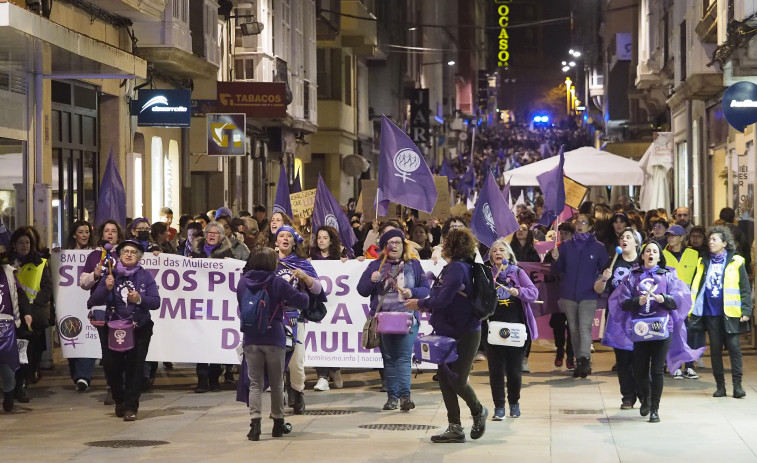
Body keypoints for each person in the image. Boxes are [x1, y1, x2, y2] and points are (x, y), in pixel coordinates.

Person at [405, 228, 488, 444]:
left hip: (465, 333)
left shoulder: (457, 269)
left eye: (444, 243)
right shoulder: (453, 268)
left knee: (457, 380)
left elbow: (442, 300)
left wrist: (419, 304)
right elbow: (439, 295)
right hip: (449, 331)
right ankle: (455, 427)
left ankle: (478, 411)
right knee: (444, 380)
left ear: (451, 246)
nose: (440, 247)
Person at [605, 241, 699, 423]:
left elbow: (679, 300)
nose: (651, 254)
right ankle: (645, 399)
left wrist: (664, 299)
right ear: (643, 255)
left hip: (663, 328)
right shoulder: (633, 276)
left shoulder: (668, 275)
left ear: (659, 256)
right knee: (639, 370)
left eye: (655, 251)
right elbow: (622, 302)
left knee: (656, 370)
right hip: (640, 328)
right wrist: (636, 302)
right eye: (648, 251)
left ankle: (654, 408)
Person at [239, 247, 310, 441]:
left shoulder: (243, 282)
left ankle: (255, 425)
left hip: (251, 338)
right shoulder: (277, 282)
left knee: (255, 383)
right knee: (277, 382)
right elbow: (302, 302)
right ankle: (278, 423)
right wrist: (299, 287)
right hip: (273, 337)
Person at [87, 240, 161, 421]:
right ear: (119, 255)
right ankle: (118, 398)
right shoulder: (111, 275)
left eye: (133, 252)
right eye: (125, 251)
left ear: (139, 257)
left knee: (135, 368)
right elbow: (92, 301)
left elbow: (156, 302)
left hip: (138, 328)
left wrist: (140, 299)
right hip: (112, 328)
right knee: (112, 366)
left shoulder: (145, 277)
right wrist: (106, 288)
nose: (128, 254)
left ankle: (130, 407)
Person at [357, 228, 429, 411]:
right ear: (384, 247)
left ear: (403, 245)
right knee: (388, 359)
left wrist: (412, 292)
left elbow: (426, 290)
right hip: (383, 319)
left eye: (398, 242)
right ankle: (392, 398)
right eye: (391, 243)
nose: (394, 246)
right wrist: (371, 281)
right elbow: (362, 290)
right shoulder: (375, 266)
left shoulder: (413, 265)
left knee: (403, 358)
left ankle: (405, 397)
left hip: (407, 318)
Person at [689, 225, 752, 398]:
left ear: (724, 243)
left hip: (731, 312)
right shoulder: (702, 260)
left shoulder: (736, 261)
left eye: (714, 239)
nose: (710, 242)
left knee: (734, 348)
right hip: (710, 313)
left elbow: (745, 289)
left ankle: (737, 386)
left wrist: (746, 309)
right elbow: (697, 285)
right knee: (715, 350)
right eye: (709, 240)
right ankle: (720, 386)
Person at [485, 239, 539, 420]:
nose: (498, 253)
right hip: (493, 331)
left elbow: (533, 293)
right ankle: (499, 407)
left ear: (509, 255)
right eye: (494, 251)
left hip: (516, 330)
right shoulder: (487, 274)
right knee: (495, 370)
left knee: (514, 371)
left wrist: (519, 292)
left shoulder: (517, 272)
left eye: (502, 250)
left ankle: (514, 403)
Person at [275, 224, 326, 414]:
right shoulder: (269, 261)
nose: (285, 239)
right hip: (274, 317)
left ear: (293, 241)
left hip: (296, 316)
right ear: (276, 240)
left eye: (289, 236)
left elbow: (319, 290)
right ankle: (278, 396)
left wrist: (306, 278)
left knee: (296, 359)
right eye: (282, 236)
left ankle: (297, 392)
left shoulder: (302, 263)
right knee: (276, 359)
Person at [551, 214, 608, 378]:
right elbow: (557, 270)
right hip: (569, 294)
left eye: (584, 222)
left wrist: (601, 280)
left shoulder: (598, 247)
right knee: (573, 330)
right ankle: (579, 360)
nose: (579, 225)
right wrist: (555, 260)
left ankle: (585, 360)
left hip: (589, 294)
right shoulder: (566, 246)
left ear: (590, 227)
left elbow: (605, 268)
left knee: (584, 328)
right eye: (577, 222)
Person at [4, 227, 54, 403]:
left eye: (27, 242)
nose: (24, 246)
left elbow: (47, 288)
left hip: (32, 316)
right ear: (14, 245)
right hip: (10, 315)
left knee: (27, 354)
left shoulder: (40, 262)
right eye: (21, 243)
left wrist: (34, 307)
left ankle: (21, 385)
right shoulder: (6, 263)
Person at [79, 220, 124, 406]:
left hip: (122, 310)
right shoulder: (93, 256)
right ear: (101, 234)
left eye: (114, 231)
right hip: (101, 311)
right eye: (107, 231)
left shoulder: (124, 252)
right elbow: (83, 283)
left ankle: (122, 385)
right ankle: (111, 388)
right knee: (107, 352)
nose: (110, 234)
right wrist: (95, 275)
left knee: (122, 349)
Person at [595, 227, 640, 410]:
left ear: (636, 243)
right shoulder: (613, 262)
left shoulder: (642, 262)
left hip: (639, 316)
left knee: (640, 358)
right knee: (623, 360)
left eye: (629, 237)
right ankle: (627, 397)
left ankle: (644, 393)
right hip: (618, 317)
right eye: (622, 237)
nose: (624, 240)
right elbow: (598, 289)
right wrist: (604, 279)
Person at [190, 221, 234, 392]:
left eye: (216, 233)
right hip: (200, 304)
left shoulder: (228, 253)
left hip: (218, 305)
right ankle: (201, 380)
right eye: (210, 232)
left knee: (215, 342)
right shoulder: (195, 251)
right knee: (201, 342)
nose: (212, 235)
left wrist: (229, 263)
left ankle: (214, 379)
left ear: (222, 236)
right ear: (205, 234)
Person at [310, 226, 347, 392]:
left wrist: (351, 263)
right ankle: (322, 376)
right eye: (319, 238)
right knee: (320, 338)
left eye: (325, 238)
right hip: (319, 306)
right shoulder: (310, 258)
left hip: (337, 307)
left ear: (331, 240)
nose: (321, 241)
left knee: (334, 337)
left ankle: (335, 369)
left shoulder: (340, 258)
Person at [662, 224, 701, 380]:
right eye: (668, 235)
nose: (670, 238)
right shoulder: (663, 254)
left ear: (682, 237)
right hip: (670, 301)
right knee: (672, 333)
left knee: (690, 332)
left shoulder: (693, 254)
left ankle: (690, 366)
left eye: (673, 235)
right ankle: (675, 365)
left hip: (689, 301)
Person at [64, 220, 98, 391]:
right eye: (81, 232)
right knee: (70, 334)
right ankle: (77, 375)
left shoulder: (96, 254)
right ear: (74, 235)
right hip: (70, 303)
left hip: (88, 302)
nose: (85, 235)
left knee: (88, 337)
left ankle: (84, 376)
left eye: (87, 232)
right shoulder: (66, 254)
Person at [0, 251, 32, 412]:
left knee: (7, 366)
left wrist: (26, 313)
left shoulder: (8, 273)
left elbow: (21, 295)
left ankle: (9, 394)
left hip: (6, 326)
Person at [509, 223, 540, 373]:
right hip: (510, 295)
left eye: (524, 229)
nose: (521, 231)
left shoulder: (533, 252)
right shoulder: (509, 252)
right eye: (518, 229)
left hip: (526, 295)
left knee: (526, 325)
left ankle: (524, 359)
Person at [545, 222, 574, 369]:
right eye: (561, 233)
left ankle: (570, 354)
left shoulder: (577, 252)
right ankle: (559, 351)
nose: (563, 236)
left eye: (567, 233)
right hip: (557, 296)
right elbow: (543, 270)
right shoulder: (553, 251)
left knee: (572, 326)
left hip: (573, 296)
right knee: (558, 325)